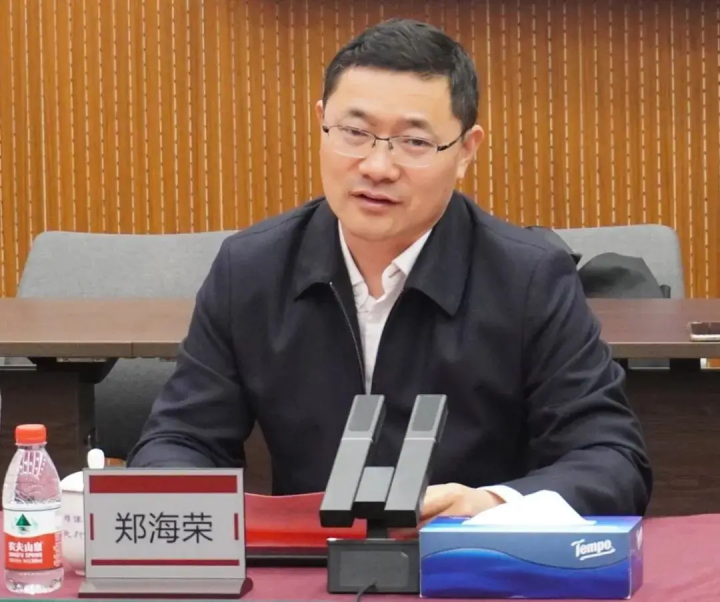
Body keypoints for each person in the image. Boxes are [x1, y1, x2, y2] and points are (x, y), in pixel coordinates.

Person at [127, 18, 652, 521]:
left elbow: (610, 459)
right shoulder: (252, 269)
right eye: (355, 132)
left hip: (465, 564)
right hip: (311, 563)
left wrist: (493, 506)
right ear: (321, 123)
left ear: (466, 151)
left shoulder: (528, 279)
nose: (378, 167)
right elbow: (182, 438)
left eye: (415, 142)